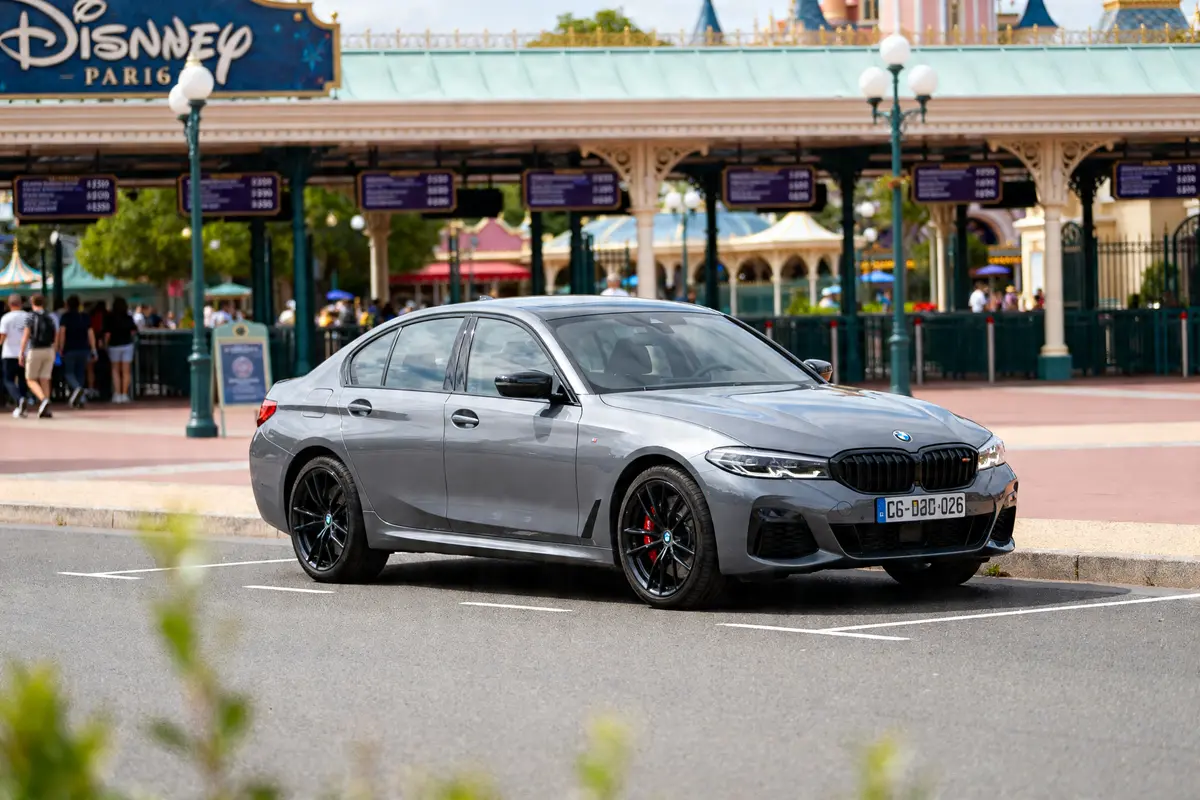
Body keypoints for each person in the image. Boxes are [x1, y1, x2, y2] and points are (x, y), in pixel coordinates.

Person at [18, 294, 57, 419]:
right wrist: (55, 350)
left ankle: (44, 400)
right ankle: (46, 409)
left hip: (35, 349)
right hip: (49, 350)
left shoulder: (30, 316)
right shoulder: (50, 316)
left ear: (32, 302)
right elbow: (56, 334)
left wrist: (21, 352)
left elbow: (26, 335)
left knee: (30, 379)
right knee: (45, 379)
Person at [57, 295, 97, 408]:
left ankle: (78, 390)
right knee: (80, 373)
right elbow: (90, 333)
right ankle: (80, 396)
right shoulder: (84, 316)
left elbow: (62, 333)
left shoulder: (65, 317)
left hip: (70, 348)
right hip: (84, 348)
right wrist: (93, 348)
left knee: (69, 373)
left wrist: (60, 347)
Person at [0, 294, 30, 418]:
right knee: (23, 379)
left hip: (9, 353)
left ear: (9, 304)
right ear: (21, 303)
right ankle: (22, 403)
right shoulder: (28, 316)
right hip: (25, 352)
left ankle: (19, 399)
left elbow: (2, 335)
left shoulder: (6, 318)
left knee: (8, 379)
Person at [104, 296, 138, 404]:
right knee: (126, 371)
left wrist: (105, 345)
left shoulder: (110, 317)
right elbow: (134, 331)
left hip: (114, 345)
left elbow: (107, 333)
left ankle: (117, 394)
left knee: (115, 370)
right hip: (127, 344)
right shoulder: (128, 317)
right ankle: (124, 394)